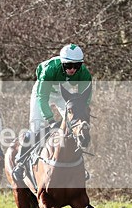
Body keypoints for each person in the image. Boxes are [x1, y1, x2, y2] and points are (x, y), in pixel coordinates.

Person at [12, 44, 92, 182]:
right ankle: (20, 162)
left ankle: (80, 167)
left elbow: (84, 101)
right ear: (62, 63)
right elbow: (42, 99)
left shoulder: (84, 73)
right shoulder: (49, 70)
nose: (72, 69)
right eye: (68, 66)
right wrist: (50, 120)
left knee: (74, 128)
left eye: (76, 66)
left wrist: (79, 116)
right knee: (36, 128)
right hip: (43, 93)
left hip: (63, 95)